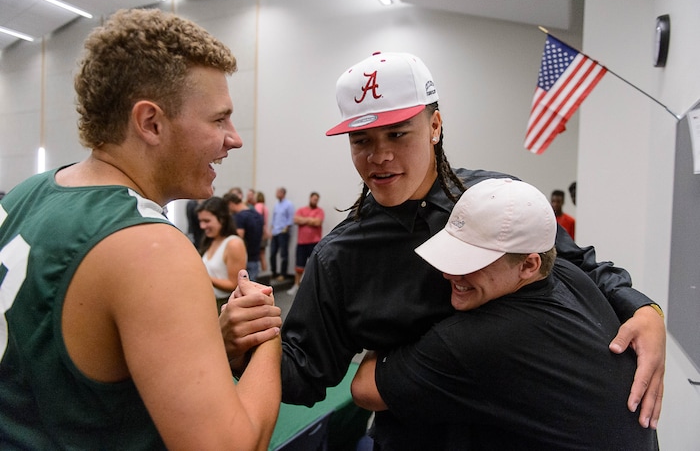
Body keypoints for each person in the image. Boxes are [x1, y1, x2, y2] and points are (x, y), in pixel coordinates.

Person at [220, 52, 665, 448]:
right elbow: (307, 372)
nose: (379, 156)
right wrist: (244, 345)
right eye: (362, 141)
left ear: (434, 125)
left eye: (397, 135)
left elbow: (578, 264)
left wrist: (644, 310)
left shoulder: (499, 201)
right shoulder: (339, 257)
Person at [0, 8, 281, 450]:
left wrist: (209, 342)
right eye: (218, 119)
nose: (234, 137)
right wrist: (267, 339)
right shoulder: (150, 246)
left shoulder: (25, 195)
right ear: (151, 123)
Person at [351, 178, 659, 450]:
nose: (448, 273)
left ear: (529, 265)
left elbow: (365, 389)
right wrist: (650, 311)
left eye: (472, 261)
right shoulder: (567, 275)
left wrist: (392, 320)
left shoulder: (486, 338)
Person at [197, 196, 249, 313]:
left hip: (225, 305)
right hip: (209, 302)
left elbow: (234, 284)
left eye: (207, 221)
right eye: (200, 221)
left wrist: (201, 276)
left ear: (222, 219)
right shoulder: (211, 240)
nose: (202, 226)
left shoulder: (233, 244)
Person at [288, 191, 324, 296]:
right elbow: (295, 219)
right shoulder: (301, 210)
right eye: (314, 199)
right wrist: (310, 220)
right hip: (302, 242)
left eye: (317, 199)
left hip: (314, 242)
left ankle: (312, 289)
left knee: (314, 266)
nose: (315, 201)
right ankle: (296, 285)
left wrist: (304, 220)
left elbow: (318, 222)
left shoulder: (320, 211)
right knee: (299, 266)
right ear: (310, 198)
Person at [225, 192, 264, 281]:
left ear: (230, 204)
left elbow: (239, 237)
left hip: (244, 259)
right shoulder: (257, 215)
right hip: (255, 258)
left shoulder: (239, 217)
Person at [269, 187, 295, 281]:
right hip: (275, 231)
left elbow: (290, 218)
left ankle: (283, 274)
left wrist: (286, 229)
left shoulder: (288, 204)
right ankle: (274, 272)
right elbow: (274, 218)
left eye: (278, 192)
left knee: (283, 254)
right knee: (272, 253)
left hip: (283, 232)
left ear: (283, 193)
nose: (276, 194)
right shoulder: (276, 204)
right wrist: (271, 230)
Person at [255, 190, 271, 273]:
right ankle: (265, 272)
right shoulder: (265, 206)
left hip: (260, 233)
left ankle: (261, 273)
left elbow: (259, 220)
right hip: (265, 231)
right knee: (263, 254)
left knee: (259, 254)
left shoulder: (258, 206)